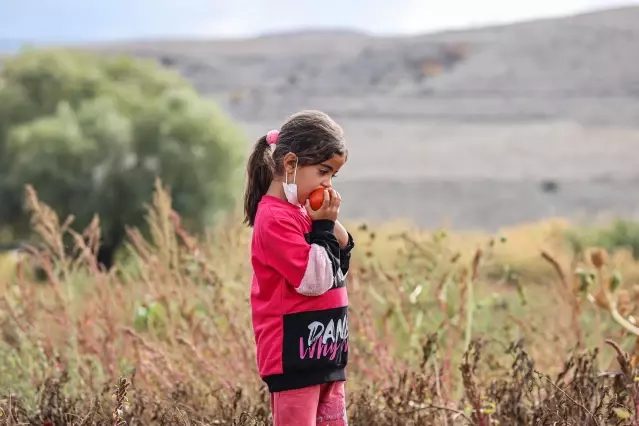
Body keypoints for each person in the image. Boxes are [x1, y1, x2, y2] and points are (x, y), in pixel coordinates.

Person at [243, 110, 355, 425]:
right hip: (294, 360)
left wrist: (329, 225)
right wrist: (322, 228)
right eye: (323, 172)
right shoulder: (274, 218)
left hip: (326, 356)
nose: (327, 183)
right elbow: (314, 280)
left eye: (333, 175)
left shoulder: (302, 213)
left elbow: (337, 267)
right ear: (291, 165)